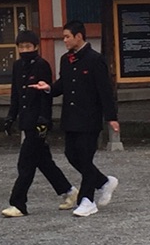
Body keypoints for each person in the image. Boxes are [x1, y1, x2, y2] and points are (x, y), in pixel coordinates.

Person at [45, 20, 120, 217]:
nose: (65, 40)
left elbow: (105, 90)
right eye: (63, 37)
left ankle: (87, 200)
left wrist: (111, 116)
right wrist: (48, 89)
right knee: (72, 155)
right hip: (71, 117)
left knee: (86, 157)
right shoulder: (65, 59)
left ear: (79, 36)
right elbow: (63, 83)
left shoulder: (95, 59)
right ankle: (104, 182)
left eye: (67, 36)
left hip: (89, 117)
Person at [2, 31, 73, 216]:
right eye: (21, 47)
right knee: (43, 162)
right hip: (25, 119)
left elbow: (45, 95)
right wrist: (11, 116)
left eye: (28, 46)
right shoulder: (17, 66)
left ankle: (18, 202)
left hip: (38, 120)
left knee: (25, 162)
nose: (25, 50)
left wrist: (44, 119)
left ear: (36, 47)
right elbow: (15, 94)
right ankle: (69, 191)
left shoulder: (42, 65)